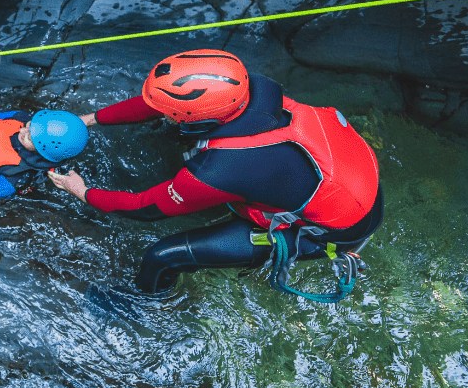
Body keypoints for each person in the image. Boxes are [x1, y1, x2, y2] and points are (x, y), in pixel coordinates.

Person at [49, 49, 383, 296]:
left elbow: (144, 209)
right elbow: (156, 104)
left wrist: (80, 190)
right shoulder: (249, 88)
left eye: (173, 113)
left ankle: (146, 309)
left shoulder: (217, 171)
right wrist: (90, 119)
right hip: (346, 178)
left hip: (332, 231)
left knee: (162, 255)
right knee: (175, 137)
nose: (161, 113)